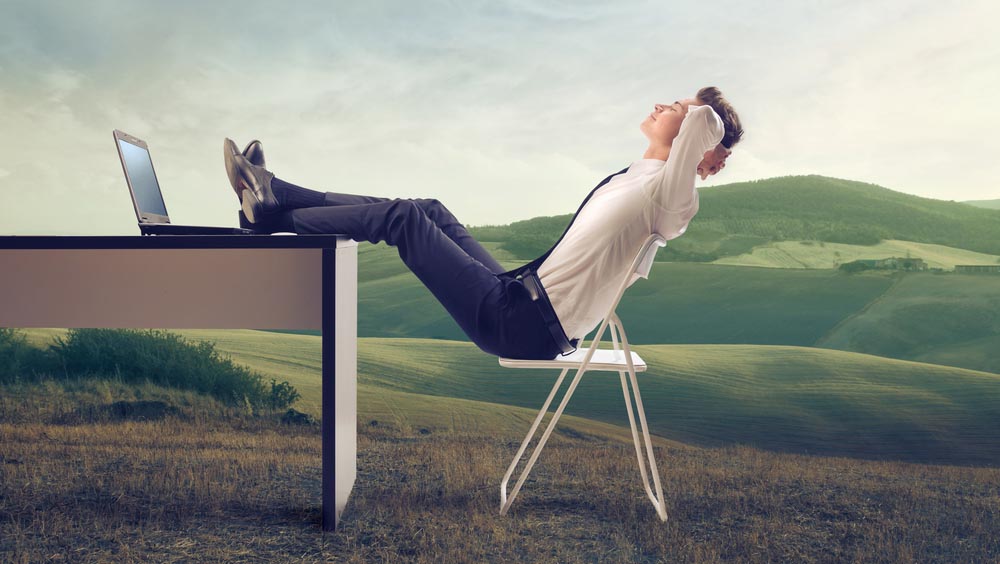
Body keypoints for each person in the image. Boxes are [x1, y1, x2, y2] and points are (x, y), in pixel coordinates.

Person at [224, 86, 743, 360]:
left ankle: (272, 209)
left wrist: (705, 124)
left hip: (521, 326)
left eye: (675, 106)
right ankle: (276, 197)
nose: (661, 105)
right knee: (429, 209)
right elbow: (690, 133)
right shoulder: (639, 175)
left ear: (694, 137)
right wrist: (692, 126)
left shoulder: (672, 199)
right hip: (520, 293)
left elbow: (702, 129)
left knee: (403, 220)